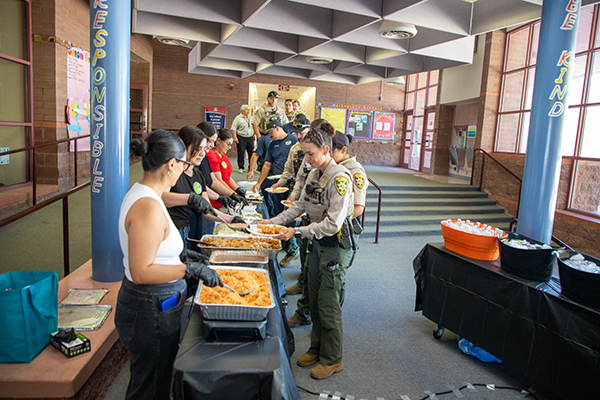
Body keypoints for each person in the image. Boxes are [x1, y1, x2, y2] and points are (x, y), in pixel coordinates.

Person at [115, 130, 223, 400]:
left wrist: (185, 256)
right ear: (172, 165)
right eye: (184, 163)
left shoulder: (148, 194)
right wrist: (189, 269)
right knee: (150, 386)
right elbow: (142, 271)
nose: (185, 170)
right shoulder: (147, 206)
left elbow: (156, 250)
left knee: (157, 376)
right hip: (149, 307)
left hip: (155, 305)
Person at [258, 128, 355, 380]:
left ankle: (333, 358)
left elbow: (333, 224)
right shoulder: (314, 172)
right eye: (305, 154)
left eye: (311, 154)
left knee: (328, 304)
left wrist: (297, 232)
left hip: (334, 246)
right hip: (316, 245)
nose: (307, 159)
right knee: (312, 297)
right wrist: (275, 222)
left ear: (326, 150)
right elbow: (300, 205)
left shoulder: (339, 178)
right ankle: (316, 348)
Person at [162, 126, 245, 248]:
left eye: (203, 149)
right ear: (184, 148)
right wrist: (190, 198)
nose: (202, 153)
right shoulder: (174, 171)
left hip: (191, 227)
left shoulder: (197, 174)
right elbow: (162, 197)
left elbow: (207, 210)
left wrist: (231, 219)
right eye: (197, 149)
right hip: (173, 229)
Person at [331, 129, 368, 306]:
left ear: (343, 150)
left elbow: (358, 209)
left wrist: (332, 222)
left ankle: (334, 313)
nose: (328, 155)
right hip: (332, 228)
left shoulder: (355, 172)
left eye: (332, 151)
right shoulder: (335, 168)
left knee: (336, 276)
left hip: (344, 230)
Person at [206, 128, 247, 209]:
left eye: (231, 145)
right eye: (228, 144)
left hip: (223, 194)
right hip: (214, 197)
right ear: (218, 140)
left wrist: (237, 189)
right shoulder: (211, 155)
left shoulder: (224, 157)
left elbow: (227, 176)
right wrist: (233, 194)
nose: (229, 148)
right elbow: (218, 180)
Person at [231, 104, 254, 173]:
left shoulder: (251, 117)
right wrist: (235, 137)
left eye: (249, 109)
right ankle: (241, 167)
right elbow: (233, 128)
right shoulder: (238, 118)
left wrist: (254, 136)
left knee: (251, 153)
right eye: (247, 109)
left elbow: (254, 127)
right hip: (241, 137)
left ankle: (251, 167)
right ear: (242, 111)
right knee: (241, 152)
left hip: (250, 137)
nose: (248, 111)